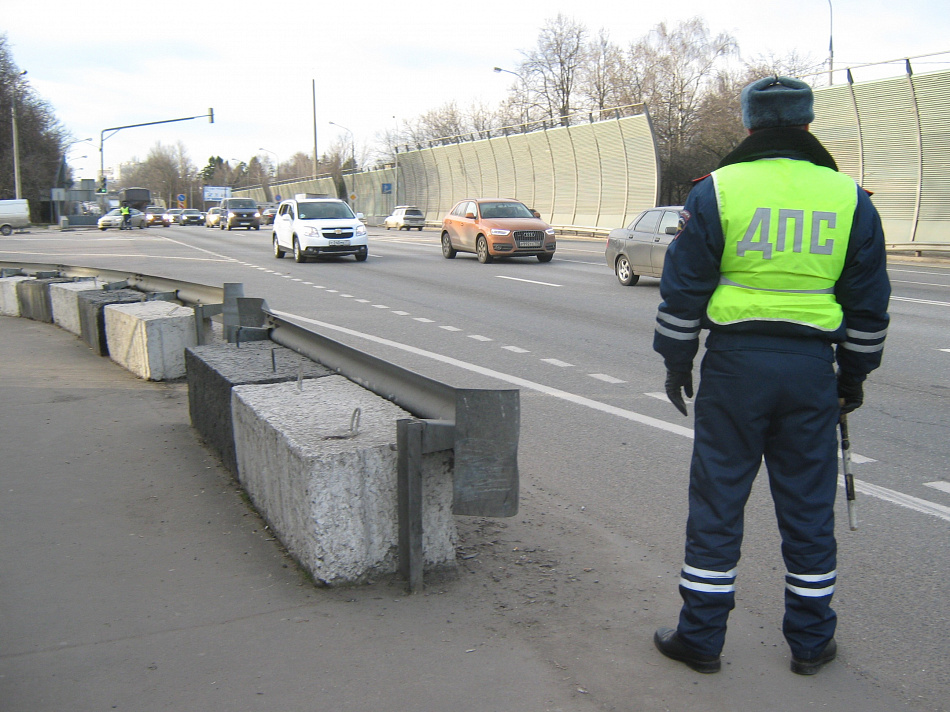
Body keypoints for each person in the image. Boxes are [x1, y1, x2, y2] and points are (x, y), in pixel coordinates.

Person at [651, 76, 890, 676]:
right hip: (811, 369)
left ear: (750, 126)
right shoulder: (849, 198)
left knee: (717, 502)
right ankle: (811, 644)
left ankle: (701, 639)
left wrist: (678, 363)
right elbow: (868, 307)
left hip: (734, 368)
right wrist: (852, 378)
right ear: (808, 125)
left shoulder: (718, 191)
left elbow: (682, 293)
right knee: (809, 509)